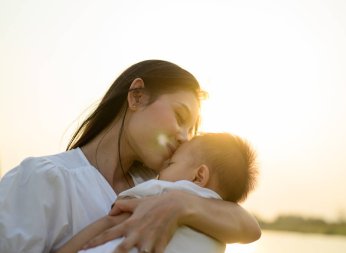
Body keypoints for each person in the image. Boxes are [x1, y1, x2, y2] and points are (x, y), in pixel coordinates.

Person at [0, 60, 261, 253]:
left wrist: (181, 205)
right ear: (137, 97)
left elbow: (249, 228)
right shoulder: (43, 179)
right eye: (180, 117)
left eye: (190, 131)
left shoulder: (160, 188)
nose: (184, 137)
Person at [57, 132, 259, 253]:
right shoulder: (221, 222)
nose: (161, 171)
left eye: (171, 164)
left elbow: (111, 221)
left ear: (199, 176)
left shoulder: (164, 191)